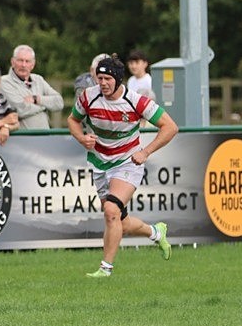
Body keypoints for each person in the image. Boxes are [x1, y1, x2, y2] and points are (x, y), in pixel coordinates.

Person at [68, 55, 176, 278]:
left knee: (110, 211)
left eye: (107, 78)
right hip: (99, 162)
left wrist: (145, 152)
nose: (103, 83)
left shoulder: (136, 101)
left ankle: (105, 269)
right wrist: (81, 138)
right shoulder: (89, 96)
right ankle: (156, 232)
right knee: (121, 222)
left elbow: (170, 127)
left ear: (118, 80)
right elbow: (73, 119)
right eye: (100, 78)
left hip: (127, 161)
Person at [0, 44, 64, 129]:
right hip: (21, 139)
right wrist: (45, 106)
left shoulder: (38, 79)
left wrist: (36, 99)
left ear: (33, 64)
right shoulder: (4, 82)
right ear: (12, 62)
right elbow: (20, 109)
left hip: (45, 138)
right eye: (20, 60)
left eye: (27, 61)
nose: (23, 65)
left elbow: (59, 102)